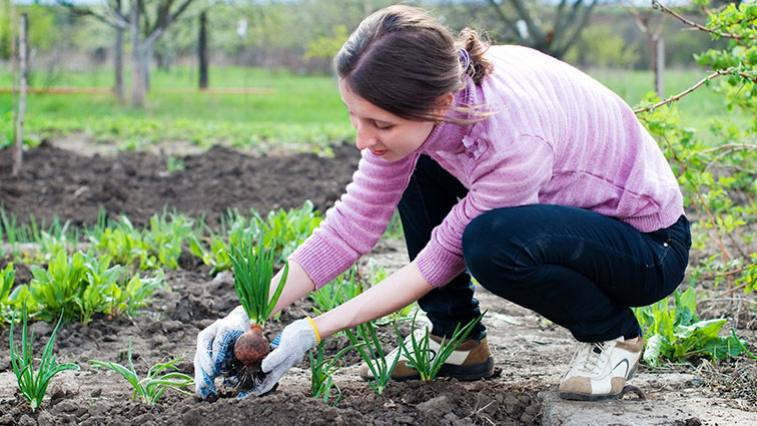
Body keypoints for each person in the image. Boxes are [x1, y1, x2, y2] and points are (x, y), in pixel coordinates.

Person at [194, 5, 691, 402]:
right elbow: (351, 227)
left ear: (436, 105)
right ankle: (458, 341)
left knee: (491, 242)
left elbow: (437, 261)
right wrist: (250, 313)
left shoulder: (512, 139)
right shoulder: (436, 100)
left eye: (380, 124)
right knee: (418, 161)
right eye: (355, 117)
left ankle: (613, 334)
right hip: (568, 221)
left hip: (645, 247)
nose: (363, 139)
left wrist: (313, 329)